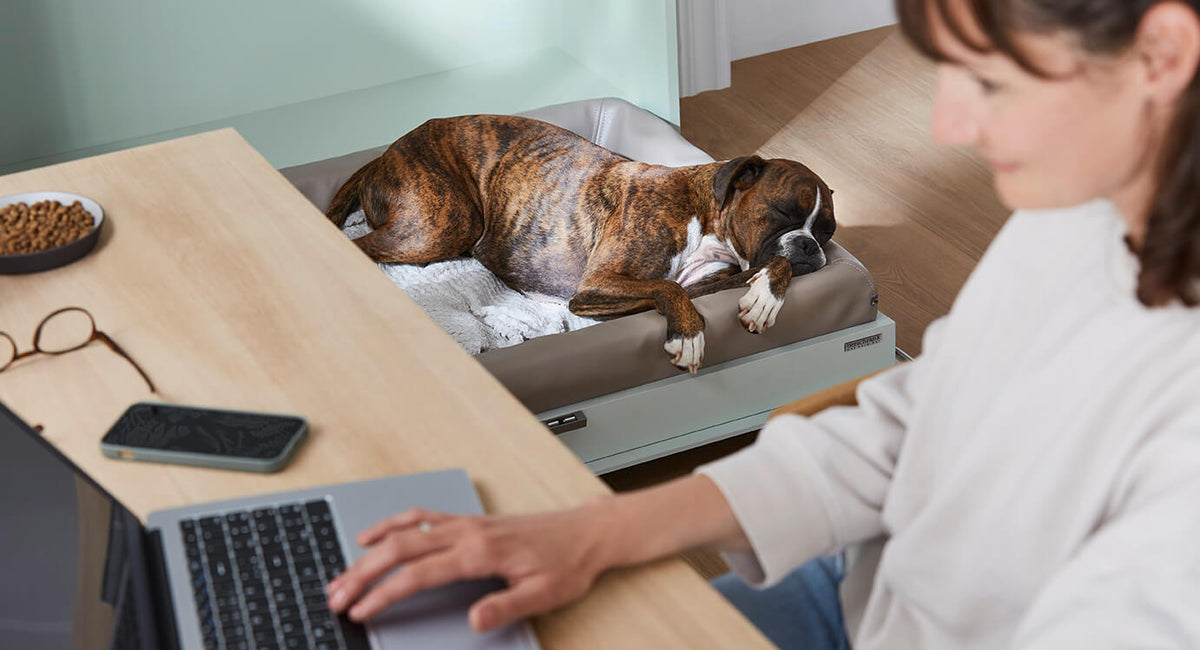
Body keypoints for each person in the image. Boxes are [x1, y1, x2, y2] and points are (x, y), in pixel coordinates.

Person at [326, 0, 1200, 646]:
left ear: (1161, 53)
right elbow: (911, 429)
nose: (948, 126)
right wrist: (590, 530)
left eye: (991, 80)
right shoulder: (1075, 218)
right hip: (866, 579)